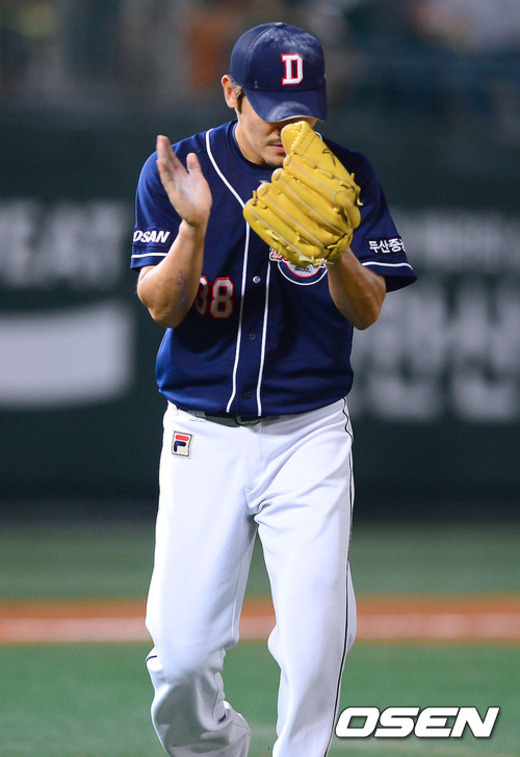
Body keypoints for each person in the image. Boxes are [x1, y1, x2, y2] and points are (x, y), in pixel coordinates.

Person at [131, 21, 416, 757]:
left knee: (317, 645)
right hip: (203, 434)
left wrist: (338, 251)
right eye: (270, 108)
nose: (287, 127)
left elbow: (368, 309)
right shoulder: (180, 170)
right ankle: (214, 747)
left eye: (303, 111)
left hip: (308, 436)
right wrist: (194, 228)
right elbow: (161, 306)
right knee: (182, 658)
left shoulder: (345, 175)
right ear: (232, 93)